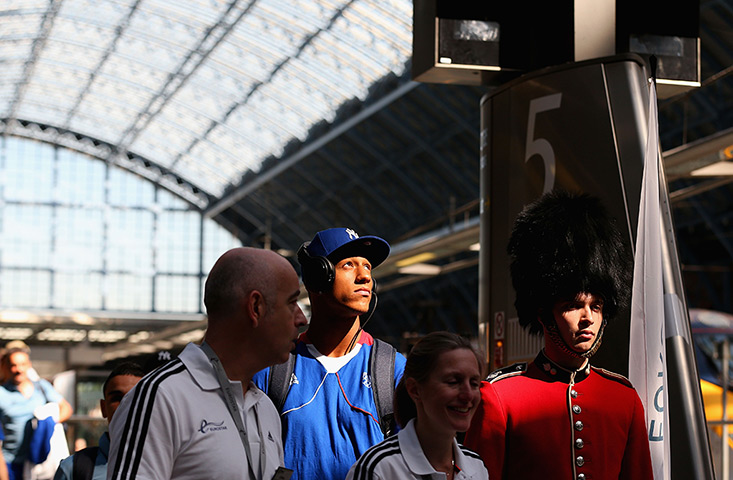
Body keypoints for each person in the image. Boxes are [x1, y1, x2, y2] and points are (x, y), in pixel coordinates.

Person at [464, 190, 654, 480]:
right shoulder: (500, 397)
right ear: (544, 314)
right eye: (573, 306)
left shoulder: (624, 398)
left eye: (596, 306)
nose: (588, 317)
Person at [107, 247, 308, 480]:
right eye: (292, 303)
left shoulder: (264, 408)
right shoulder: (161, 397)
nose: (301, 318)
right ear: (256, 307)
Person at [253, 227, 407, 480]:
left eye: (367, 267)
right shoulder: (273, 369)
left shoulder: (392, 370)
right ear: (317, 277)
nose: (364, 277)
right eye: (349, 265)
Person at [347, 331, 487, 480]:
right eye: (453, 382)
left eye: (474, 384)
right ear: (415, 390)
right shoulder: (377, 469)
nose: (468, 395)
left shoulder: (476, 467)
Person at [53, 362, 144, 480]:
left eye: (135, 397)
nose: (125, 405)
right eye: (117, 398)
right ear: (103, 407)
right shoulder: (72, 468)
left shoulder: (169, 466)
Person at [0, 348, 73, 480]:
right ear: (7, 367)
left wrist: (48, 424)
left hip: (40, 462)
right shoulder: (2, 393)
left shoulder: (42, 387)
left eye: (22, 364)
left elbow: (66, 408)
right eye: (13, 365)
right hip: (12, 462)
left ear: (29, 365)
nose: (18, 369)